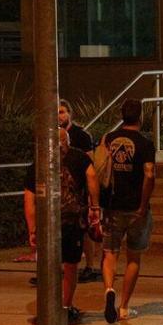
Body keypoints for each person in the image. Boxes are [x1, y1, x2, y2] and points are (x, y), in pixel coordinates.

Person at [23, 127, 100, 325]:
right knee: (71, 266)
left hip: (46, 223)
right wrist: (94, 207)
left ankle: (48, 309)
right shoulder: (80, 158)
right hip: (71, 221)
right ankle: (65, 307)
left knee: (48, 267)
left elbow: (29, 200)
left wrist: (32, 229)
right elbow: (92, 178)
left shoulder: (37, 165)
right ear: (67, 141)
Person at [99, 98, 156, 323]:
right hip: (135, 208)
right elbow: (149, 174)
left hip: (112, 205)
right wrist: (143, 204)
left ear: (121, 115)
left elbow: (99, 168)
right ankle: (123, 307)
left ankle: (108, 290)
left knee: (109, 253)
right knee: (134, 257)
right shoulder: (145, 143)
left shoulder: (108, 139)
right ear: (140, 116)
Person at [58, 98, 100, 282]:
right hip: (60, 191)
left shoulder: (82, 136)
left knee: (84, 228)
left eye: (62, 111)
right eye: (57, 112)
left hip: (79, 190)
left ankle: (89, 266)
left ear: (69, 113)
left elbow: (90, 164)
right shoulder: (51, 134)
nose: (59, 116)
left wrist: (92, 197)